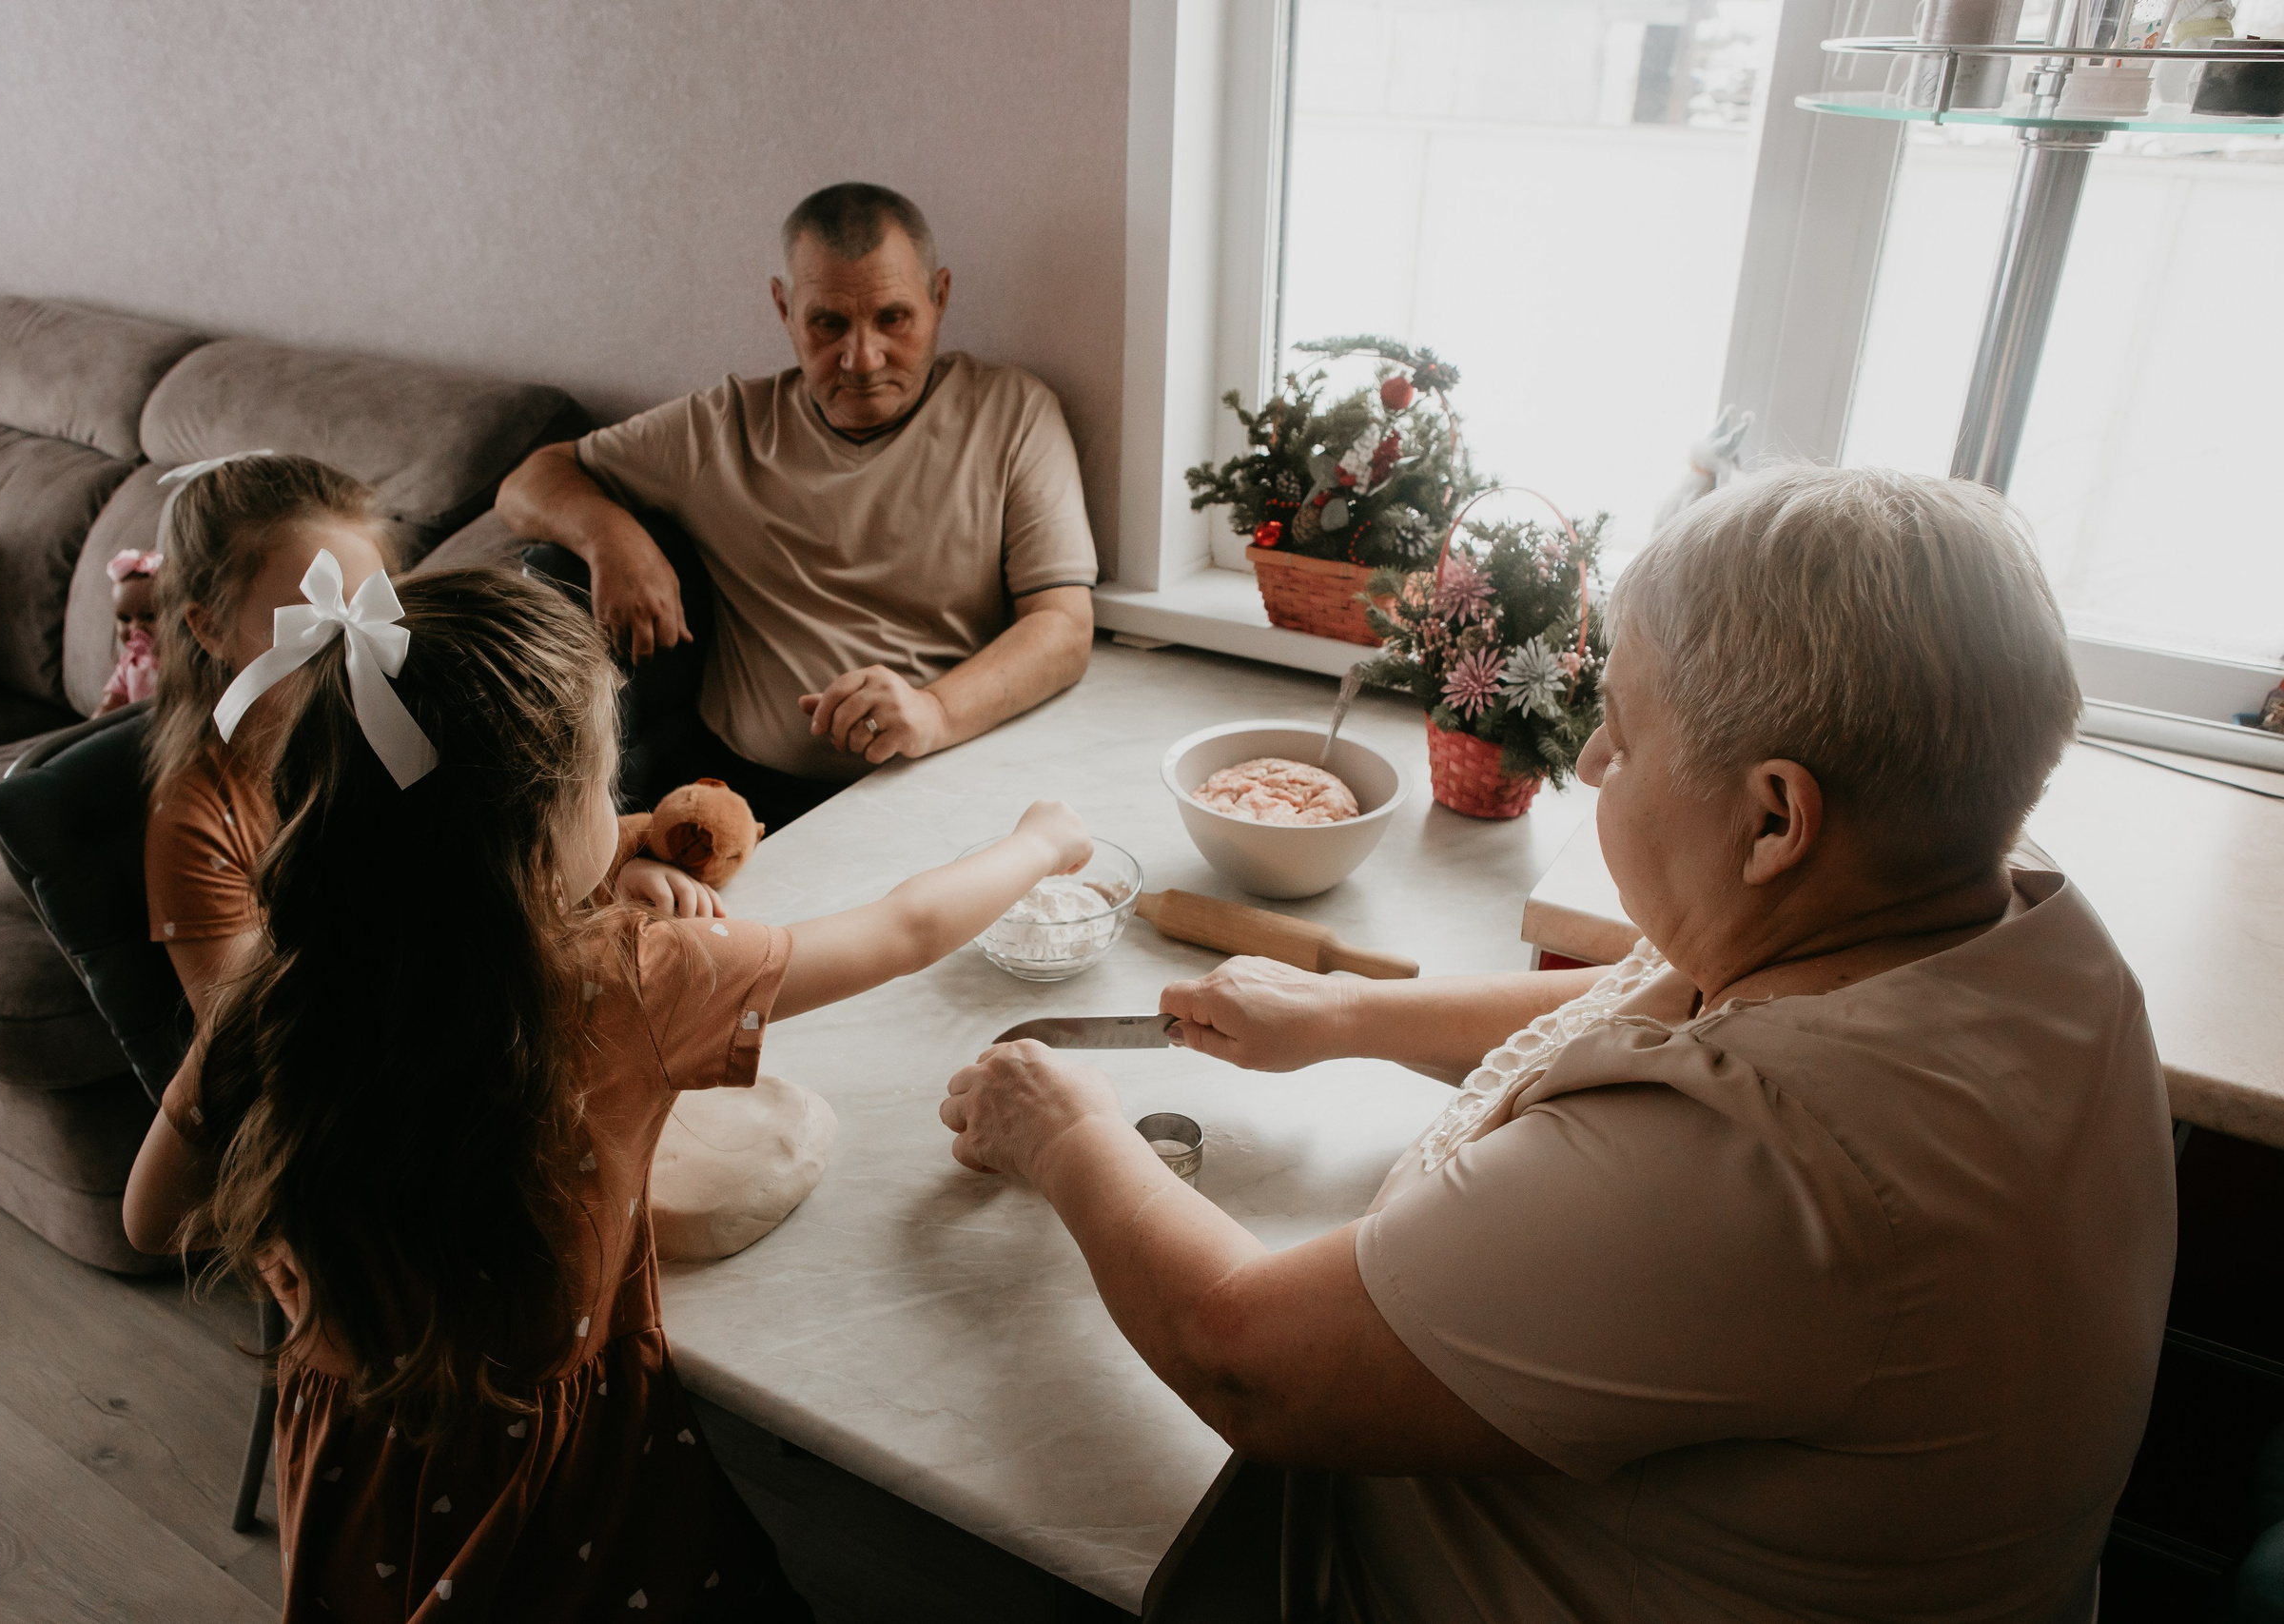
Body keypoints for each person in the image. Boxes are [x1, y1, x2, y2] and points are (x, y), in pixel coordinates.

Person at [940, 466, 2177, 1622]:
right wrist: (1349, 1016)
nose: (1590, 758)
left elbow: (1245, 1357)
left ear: (1775, 816)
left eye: (1625, 735)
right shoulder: (2010, 922)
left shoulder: (1751, 1165)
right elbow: (1656, 993)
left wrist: (1065, 1129)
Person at [121, 564, 1095, 1621]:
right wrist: (1040, 842)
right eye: (601, 776)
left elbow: (148, 1216)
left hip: (361, 1475)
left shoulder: (271, 992)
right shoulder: (630, 981)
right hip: (562, 1486)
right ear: (541, 832)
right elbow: (902, 931)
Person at [495, 181, 1099, 832]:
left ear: (940, 296)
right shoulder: (721, 429)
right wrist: (608, 535)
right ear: (784, 309)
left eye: (893, 318)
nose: (862, 358)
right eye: (828, 323)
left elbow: (1063, 627)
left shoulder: (1012, 414)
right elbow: (526, 483)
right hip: (747, 805)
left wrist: (933, 712)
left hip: (939, 788)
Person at [142, 454, 717, 1025]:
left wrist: (613, 883)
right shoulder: (201, 820)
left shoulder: (414, 726)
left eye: (371, 609)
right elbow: (245, 1036)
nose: (355, 649)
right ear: (211, 627)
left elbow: (519, 860)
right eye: (317, 624)